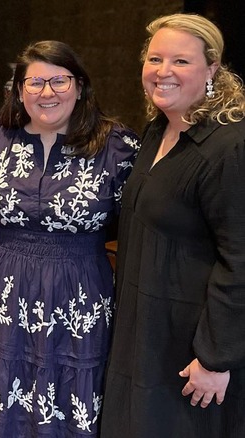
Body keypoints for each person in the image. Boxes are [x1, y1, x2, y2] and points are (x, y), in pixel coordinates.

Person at [0, 40, 140, 437]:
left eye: (59, 81)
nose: (47, 93)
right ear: (19, 91)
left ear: (80, 86)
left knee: (69, 388)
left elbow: (143, 222)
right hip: (2, 287)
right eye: (34, 83)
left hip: (77, 290)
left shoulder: (116, 146)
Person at [101, 13, 245, 438]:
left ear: (212, 70)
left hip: (192, 352)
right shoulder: (157, 132)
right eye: (155, 59)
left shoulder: (229, 146)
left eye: (180, 61)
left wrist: (217, 358)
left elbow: (240, 260)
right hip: (143, 334)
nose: (163, 72)